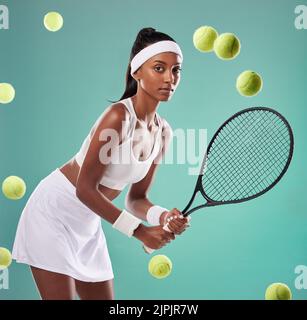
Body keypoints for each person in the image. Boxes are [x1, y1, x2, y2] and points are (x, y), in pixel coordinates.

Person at [12, 27, 190, 300]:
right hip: (53, 213)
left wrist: (162, 217)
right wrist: (140, 231)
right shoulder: (118, 117)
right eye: (159, 68)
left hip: (88, 221)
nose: (170, 78)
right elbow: (84, 189)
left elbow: (136, 199)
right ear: (137, 72)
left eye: (176, 70)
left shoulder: (163, 132)